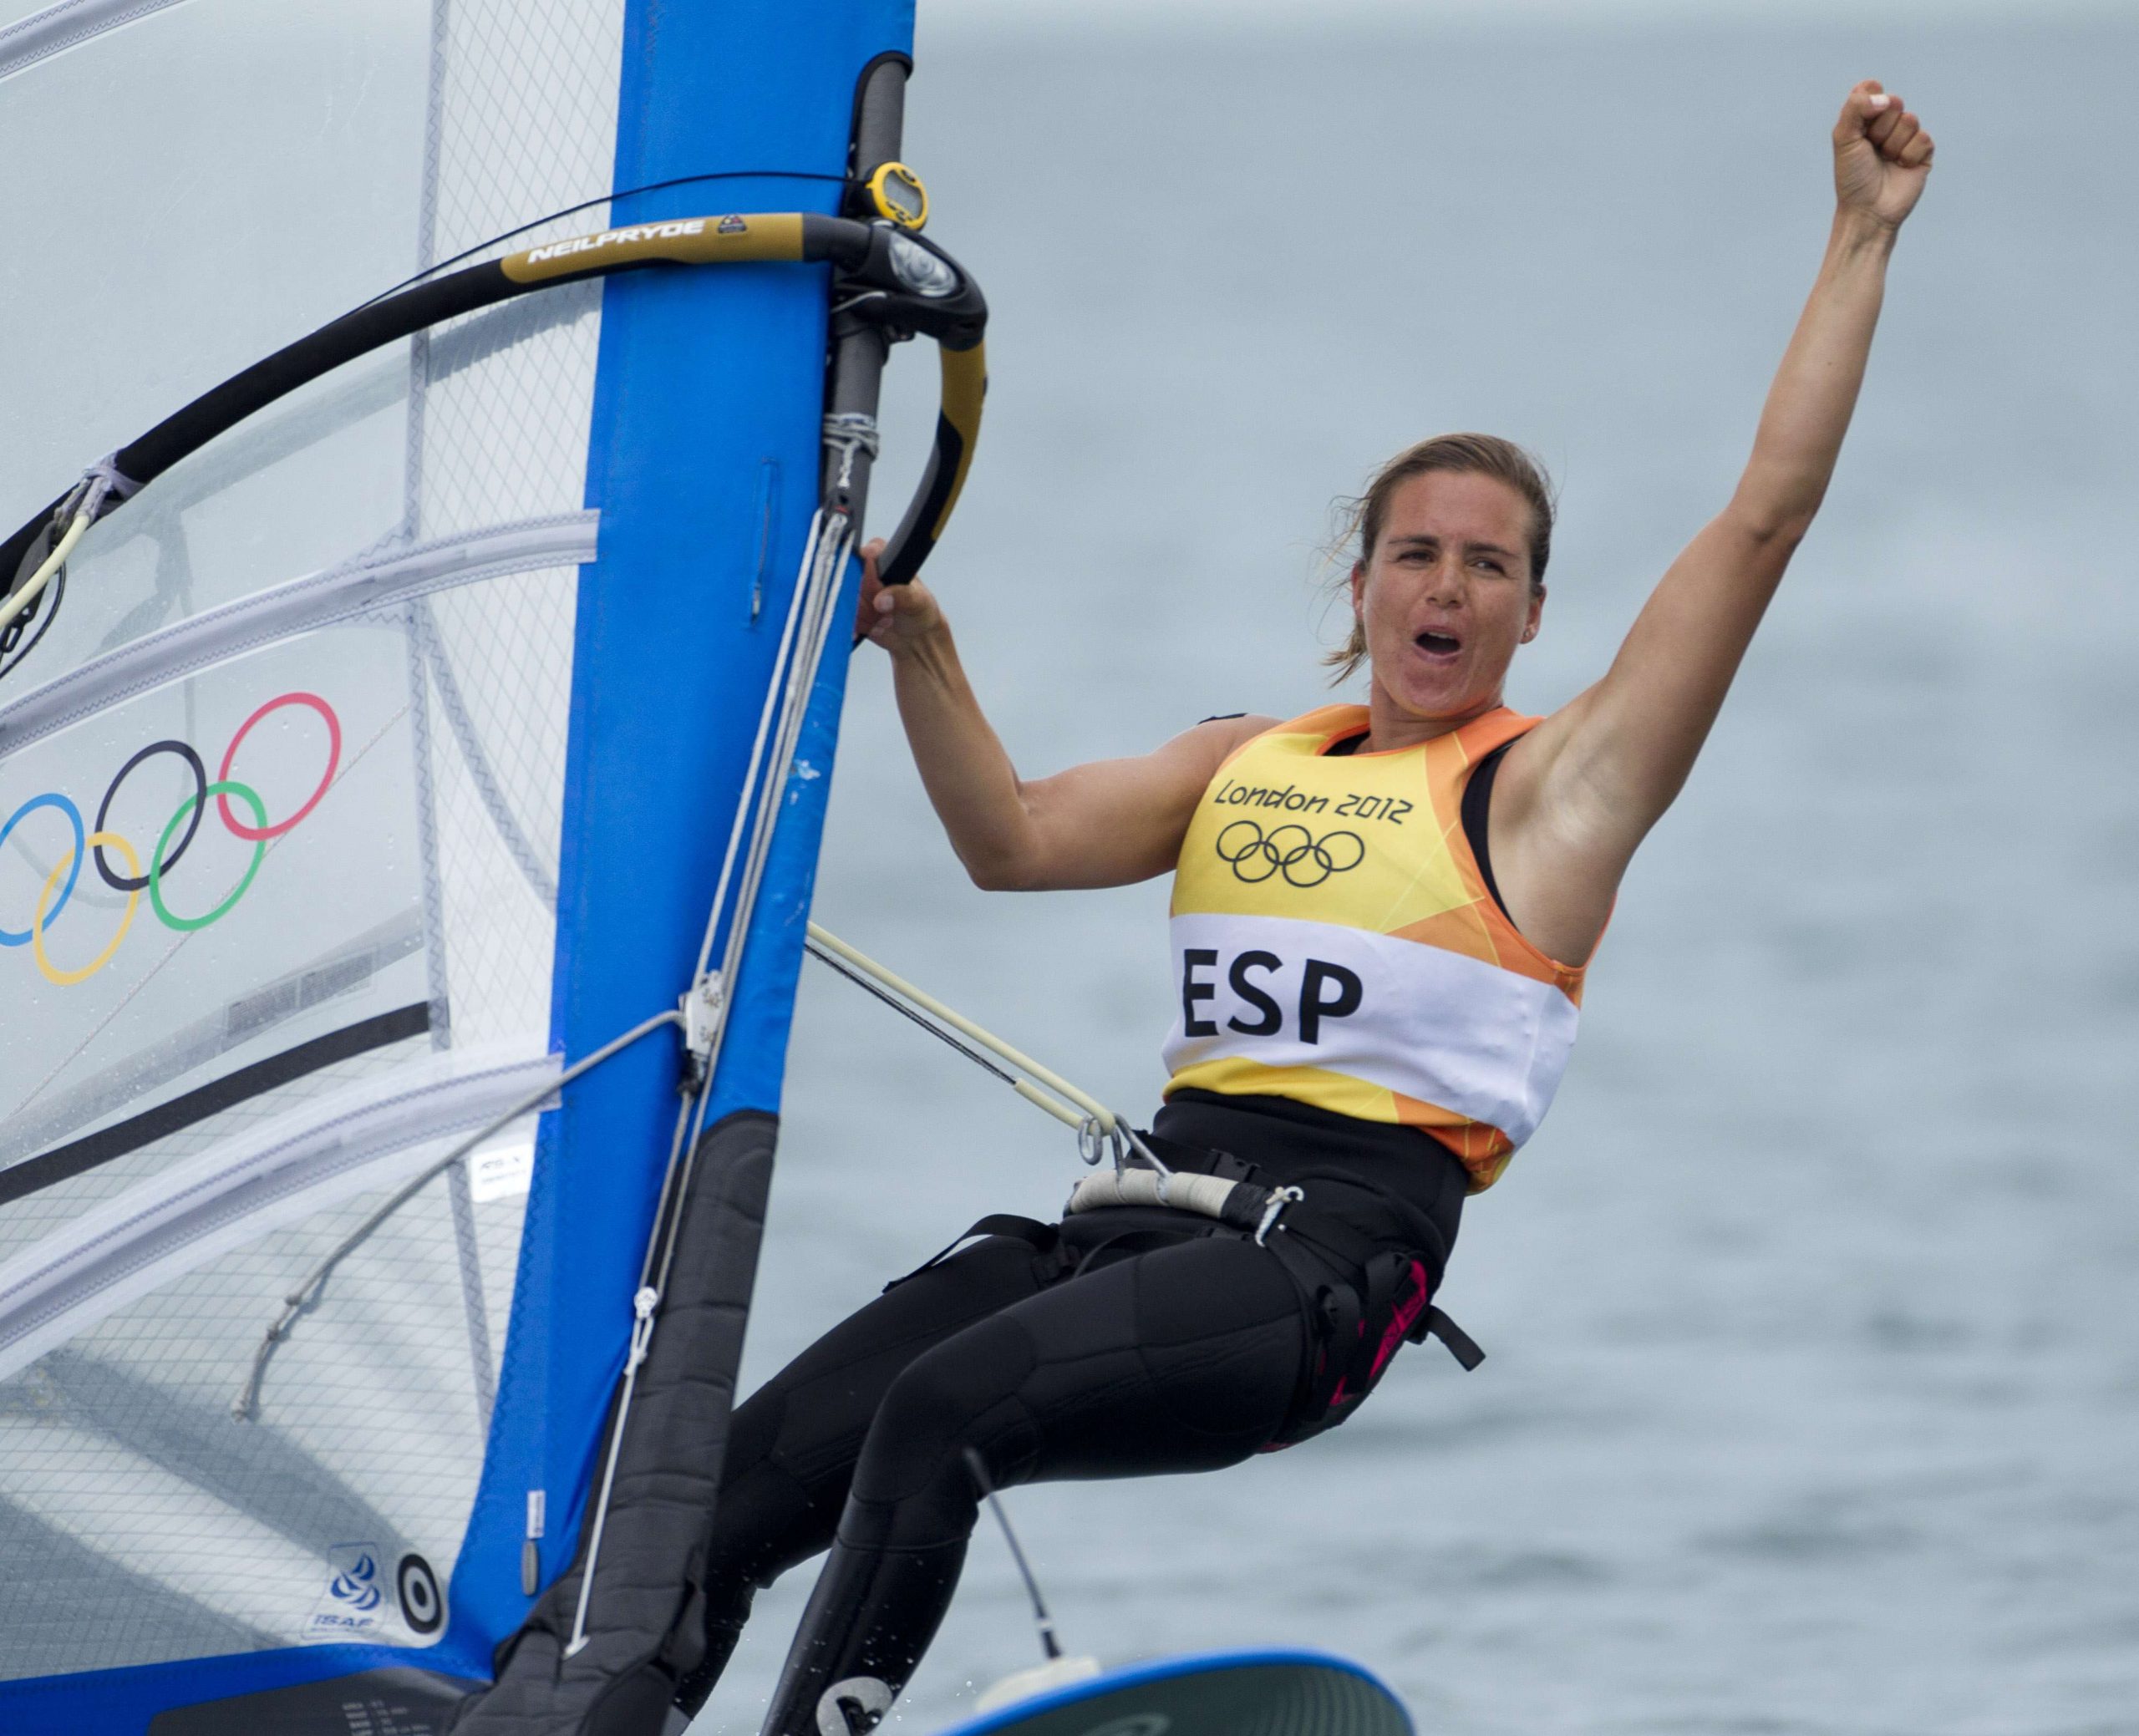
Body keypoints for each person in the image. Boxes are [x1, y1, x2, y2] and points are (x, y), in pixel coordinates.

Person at [671, 80, 1934, 1735]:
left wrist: (1855, 235)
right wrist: (923, 655)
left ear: (1533, 612)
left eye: (1487, 564)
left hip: (1317, 1278)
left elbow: (1760, 518)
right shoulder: (1240, 760)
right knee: (739, 1480)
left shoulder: (1554, 796)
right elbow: (1013, 841)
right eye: (1413, 552)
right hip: (1123, 1227)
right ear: (1359, 585)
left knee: (937, 1414)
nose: (1444, 584)